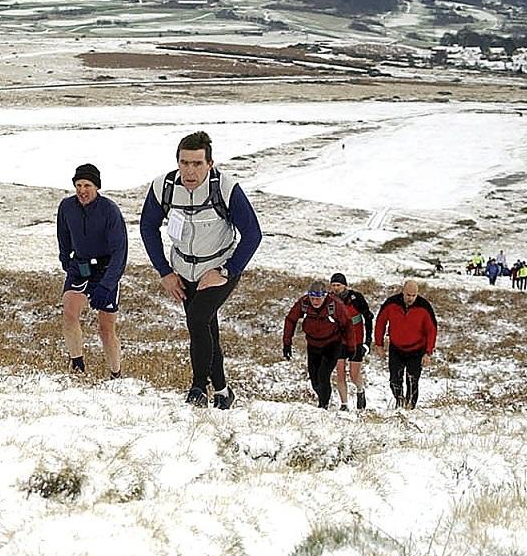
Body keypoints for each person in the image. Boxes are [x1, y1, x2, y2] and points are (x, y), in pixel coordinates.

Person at [140, 131, 262, 409]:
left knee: (197, 318)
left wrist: (226, 271)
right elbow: (147, 226)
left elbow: (253, 234)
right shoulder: (164, 187)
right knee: (205, 326)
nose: (190, 171)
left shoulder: (226, 188)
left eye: (197, 164)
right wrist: (165, 272)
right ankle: (222, 391)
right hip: (184, 269)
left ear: (210, 163)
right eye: (184, 163)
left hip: (219, 267)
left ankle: (198, 388)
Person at [56, 163, 127, 378]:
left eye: (87, 185)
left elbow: (120, 251)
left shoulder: (109, 210)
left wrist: (107, 285)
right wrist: (65, 259)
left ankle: (116, 374)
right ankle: (77, 365)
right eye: (78, 185)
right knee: (69, 312)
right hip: (80, 266)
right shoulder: (67, 207)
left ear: (96, 186)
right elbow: (63, 235)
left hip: (105, 270)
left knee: (106, 329)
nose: (82, 190)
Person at [282, 280, 352, 409]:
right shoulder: (304, 303)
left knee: (323, 376)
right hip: (313, 345)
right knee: (314, 380)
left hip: (332, 344)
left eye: (318, 299)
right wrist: (287, 343)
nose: (315, 302)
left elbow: (347, 324)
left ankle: (323, 406)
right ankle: (323, 399)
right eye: (312, 298)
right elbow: (291, 319)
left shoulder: (335, 305)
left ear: (325, 296)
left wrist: (351, 348)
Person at [374, 279, 438, 409]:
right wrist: (379, 344)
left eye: (413, 295)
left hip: (416, 350)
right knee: (394, 380)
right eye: (408, 295)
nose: (410, 298)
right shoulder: (391, 303)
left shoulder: (424, 307)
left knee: (412, 381)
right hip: (396, 348)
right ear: (403, 292)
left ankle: (410, 407)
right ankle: (399, 400)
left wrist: (428, 352)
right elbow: (380, 322)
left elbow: (432, 330)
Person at [329, 272, 374, 410]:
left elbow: (368, 318)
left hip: (356, 340)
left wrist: (368, 341)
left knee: (354, 375)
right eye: (334, 285)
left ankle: (360, 390)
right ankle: (344, 404)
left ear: (345, 286)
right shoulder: (329, 299)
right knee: (340, 372)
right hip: (338, 341)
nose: (336, 288)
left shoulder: (356, 298)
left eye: (339, 285)